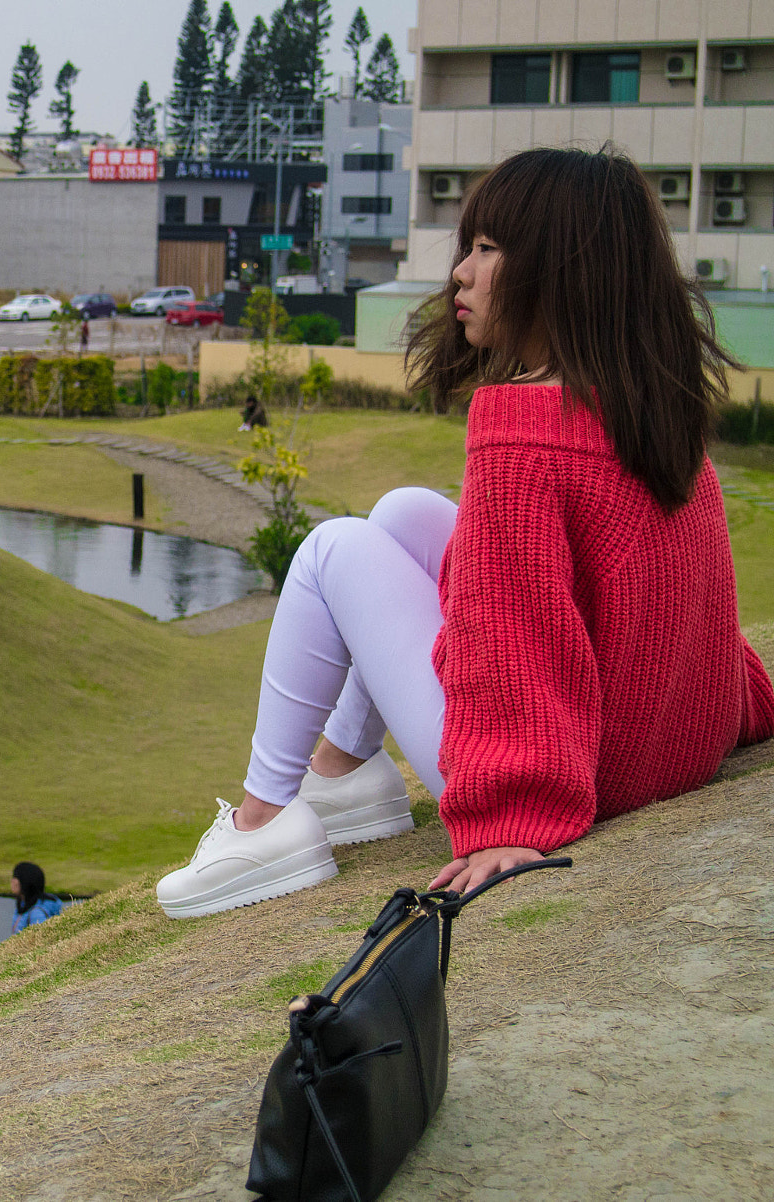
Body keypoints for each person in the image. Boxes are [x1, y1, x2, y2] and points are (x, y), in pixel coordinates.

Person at [156, 146, 774, 920]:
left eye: (488, 250)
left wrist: (512, 816)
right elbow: (672, 599)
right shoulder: (652, 406)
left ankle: (262, 822)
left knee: (331, 551)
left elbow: (514, 630)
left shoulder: (521, 428)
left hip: (577, 768)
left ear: (557, 270)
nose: (462, 272)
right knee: (406, 512)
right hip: (660, 743)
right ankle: (345, 771)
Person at [10, 861, 64, 934]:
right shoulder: (23, 904)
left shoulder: (37, 913)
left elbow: (41, 939)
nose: (12, 881)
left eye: (15, 877)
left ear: (25, 881)